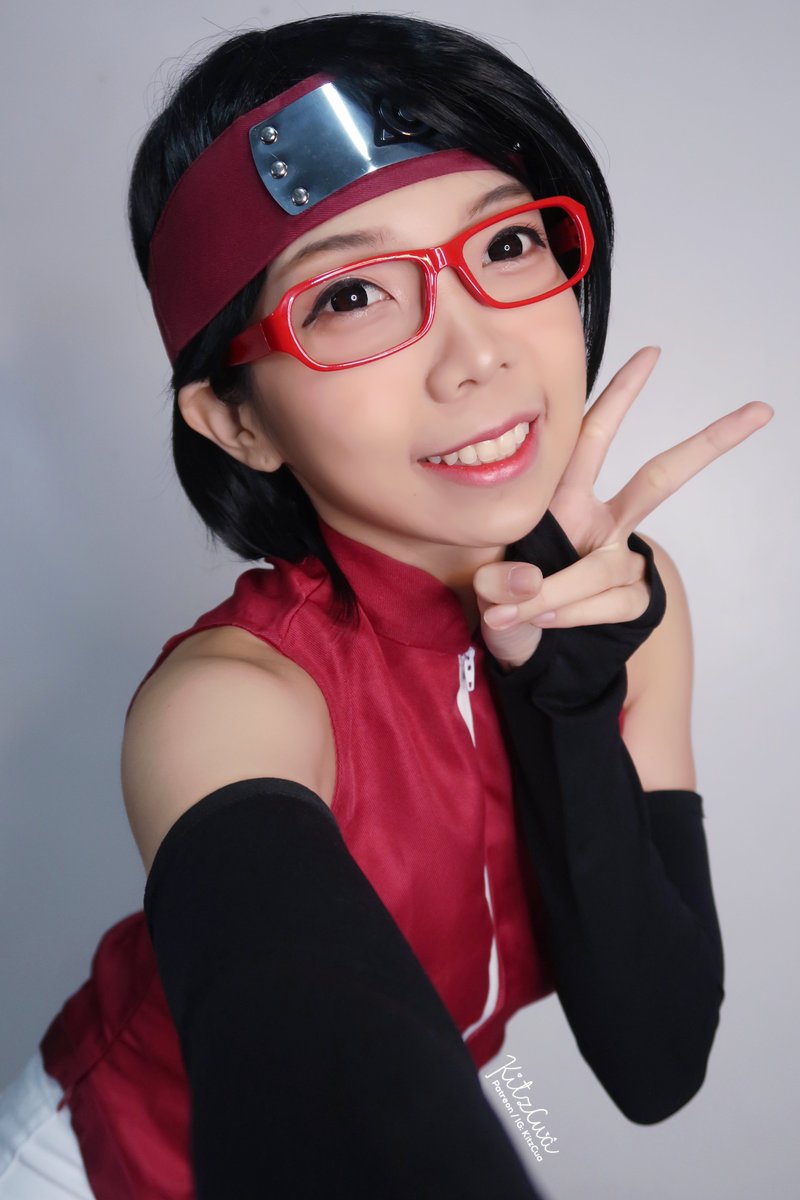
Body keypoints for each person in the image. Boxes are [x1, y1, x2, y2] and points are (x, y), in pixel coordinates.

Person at [0, 12, 772, 1199]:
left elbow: (653, 1056)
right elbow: (320, 1085)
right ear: (237, 422)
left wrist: (566, 710)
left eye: (506, 243)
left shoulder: (625, 600)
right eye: (351, 295)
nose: (474, 355)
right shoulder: (229, 700)